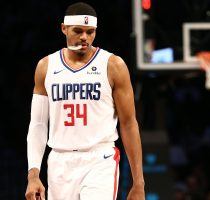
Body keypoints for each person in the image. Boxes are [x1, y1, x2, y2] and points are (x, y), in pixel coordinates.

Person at [25, 2, 145, 200]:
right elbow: (37, 124)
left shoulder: (113, 65)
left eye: (90, 32)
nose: (84, 37)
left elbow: (129, 123)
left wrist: (138, 182)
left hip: (100, 158)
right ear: (64, 28)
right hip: (59, 161)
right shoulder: (46, 67)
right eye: (78, 31)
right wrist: (33, 174)